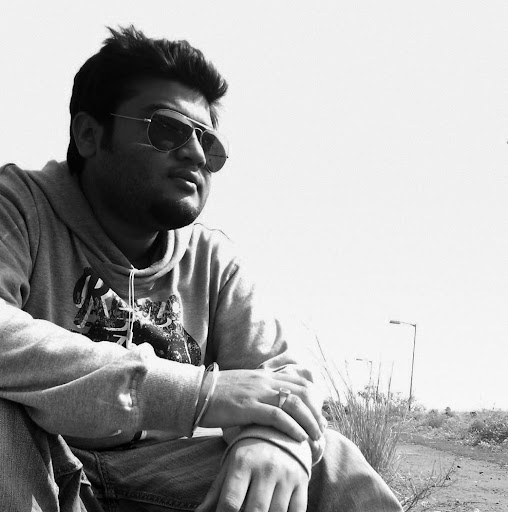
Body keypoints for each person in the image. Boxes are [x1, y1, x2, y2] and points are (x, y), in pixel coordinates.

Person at [0, 26, 402, 512]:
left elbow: (282, 379)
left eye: (210, 145)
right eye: (167, 129)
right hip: (38, 466)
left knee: (328, 465)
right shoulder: (19, 208)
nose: (194, 153)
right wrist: (198, 395)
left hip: (163, 477)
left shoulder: (212, 259)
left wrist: (276, 440)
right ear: (89, 134)